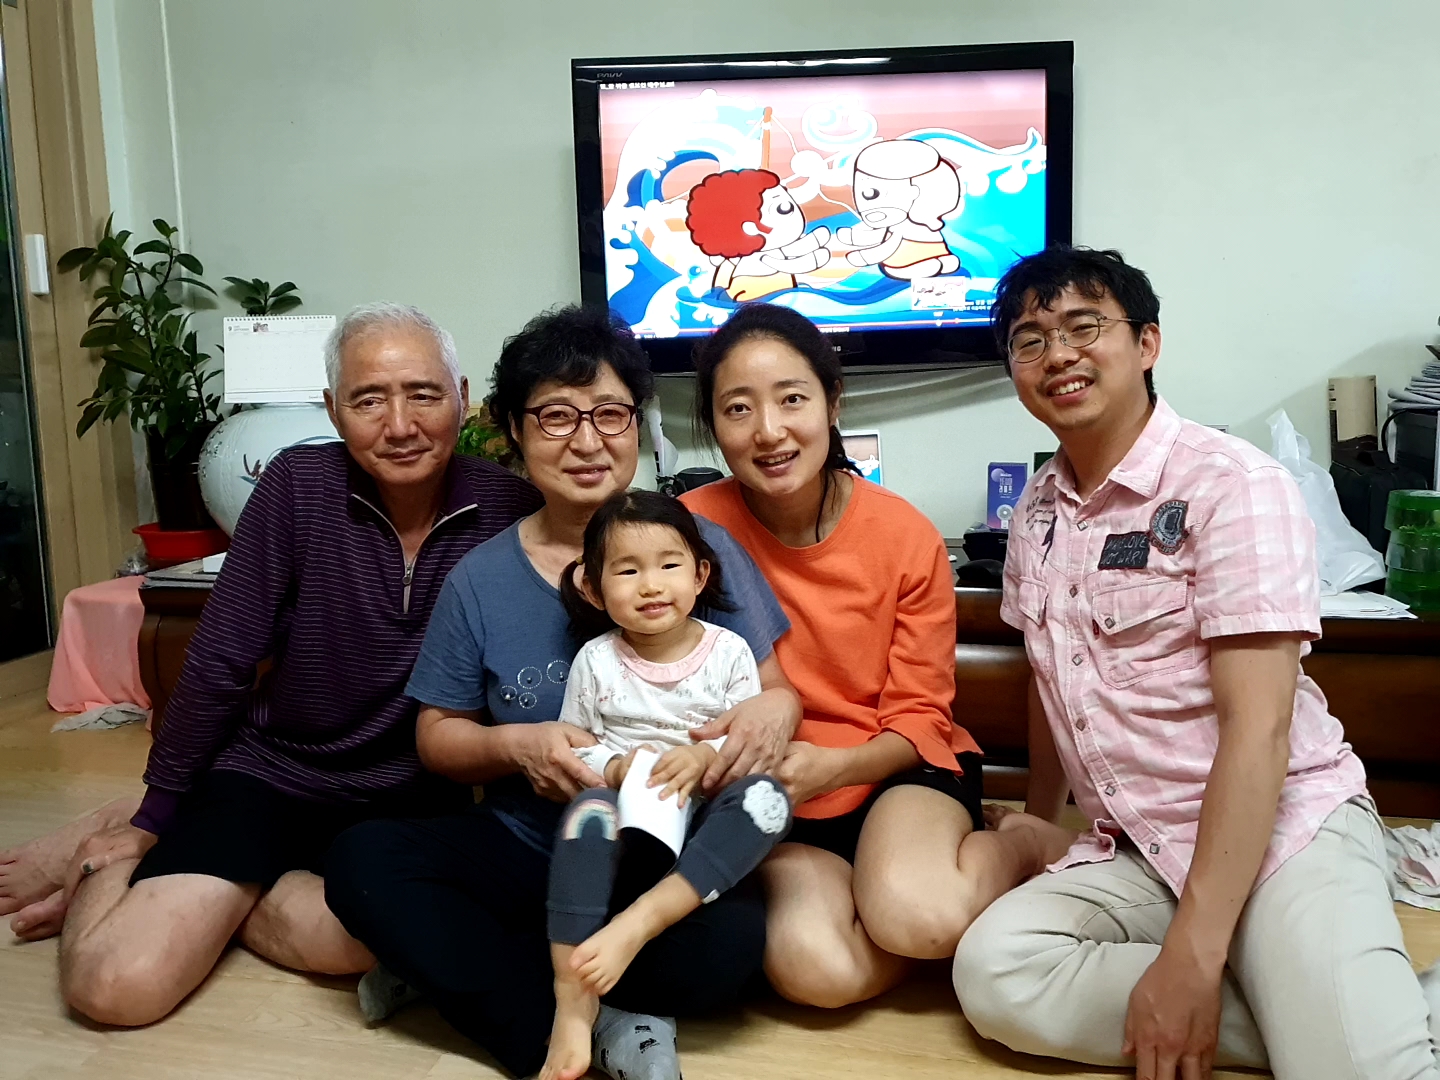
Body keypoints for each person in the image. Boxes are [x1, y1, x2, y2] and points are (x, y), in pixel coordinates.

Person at [952, 245, 1440, 1080]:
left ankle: (1333, 1011)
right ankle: (1337, 1006)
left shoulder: (1232, 484)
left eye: (1083, 327)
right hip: (1140, 844)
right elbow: (1048, 675)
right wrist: (1043, 823)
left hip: (1284, 829)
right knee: (997, 971)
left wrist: (1190, 954)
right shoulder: (1036, 511)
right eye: (1030, 340)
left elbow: (1261, 729)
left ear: (1147, 342)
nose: (1058, 354)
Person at [7, 303, 543, 1027]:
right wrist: (154, 815)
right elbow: (220, 659)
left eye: (423, 394)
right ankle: (116, 850)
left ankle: (206, 873)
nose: (400, 425)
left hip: (407, 798)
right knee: (115, 987)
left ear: (462, 396)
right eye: (368, 400)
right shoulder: (298, 486)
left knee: (370, 942)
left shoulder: (510, 507)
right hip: (273, 772)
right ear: (332, 408)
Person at [323, 305, 801, 1080]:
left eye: (610, 413)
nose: (586, 441)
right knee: (364, 862)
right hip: (534, 842)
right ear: (514, 430)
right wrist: (517, 746)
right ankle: (578, 1024)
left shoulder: (696, 549)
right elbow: (437, 736)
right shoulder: (480, 577)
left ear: (638, 424)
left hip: (663, 849)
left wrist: (774, 710)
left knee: (727, 952)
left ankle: (467, 970)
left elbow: (773, 693)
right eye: (554, 416)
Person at [679, 302, 1069, 1009]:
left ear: (832, 403)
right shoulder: (688, 532)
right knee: (817, 973)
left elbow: (920, 716)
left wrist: (836, 766)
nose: (768, 431)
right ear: (712, 424)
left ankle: (1018, 842)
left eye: (792, 399)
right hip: (775, 794)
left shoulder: (903, 533)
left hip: (894, 765)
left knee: (923, 916)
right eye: (738, 408)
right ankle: (888, 903)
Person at [541, 488, 793, 1080]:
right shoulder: (596, 660)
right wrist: (613, 767)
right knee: (588, 811)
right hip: (625, 821)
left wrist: (703, 756)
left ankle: (637, 926)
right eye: (628, 571)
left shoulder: (729, 651)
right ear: (593, 589)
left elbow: (746, 740)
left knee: (768, 799)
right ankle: (572, 1000)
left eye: (669, 565)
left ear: (700, 575)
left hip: (703, 822)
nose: (651, 586)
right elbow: (577, 744)